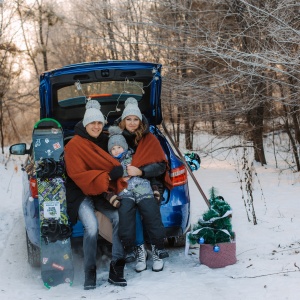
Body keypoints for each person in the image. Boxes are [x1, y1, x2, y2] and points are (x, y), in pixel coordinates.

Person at [64, 100, 127, 290]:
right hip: (80, 192)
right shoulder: (73, 145)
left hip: (100, 191)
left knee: (118, 217)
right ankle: (89, 272)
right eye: (93, 123)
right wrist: (107, 175)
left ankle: (116, 269)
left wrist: (117, 171)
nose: (97, 126)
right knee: (90, 226)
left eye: (100, 123)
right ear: (85, 124)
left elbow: (114, 160)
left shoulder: (104, 141)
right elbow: (77, 174)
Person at [116, 97, 174, 272]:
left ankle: (157, 249)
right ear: (123, 121)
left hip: (151, 183)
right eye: (128, 119)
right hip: (126, 185)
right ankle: (139, 249)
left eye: (135, 119)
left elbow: (161, 165)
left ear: (140, 121)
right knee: (129, 210)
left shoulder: (150, 138)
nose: (132, 123)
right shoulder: (116, 140)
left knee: (150, 210)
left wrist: (140, 171)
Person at [107, 125, 169, 271]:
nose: (116, 151)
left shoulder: (136, 156)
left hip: (142, 189)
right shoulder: (110, 163)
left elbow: (152, 171)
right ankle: (134, 250)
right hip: (126, 192)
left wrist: (154, 189)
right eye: (113, 149)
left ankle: (158, 250)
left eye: (119, 147)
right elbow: (107, 180)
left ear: (125, 146)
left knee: (152, 214)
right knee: (126, 216)